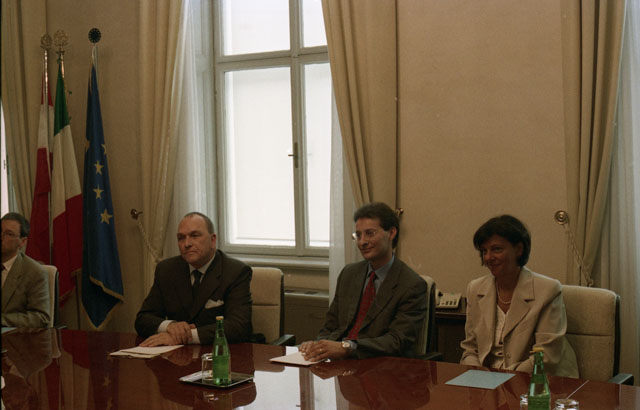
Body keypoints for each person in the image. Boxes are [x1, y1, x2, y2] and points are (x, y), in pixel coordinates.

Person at [300, 202, 427, 360]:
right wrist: (317, 345)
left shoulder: (411, 285)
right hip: (336, 363)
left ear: (391, 233)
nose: (362, 242)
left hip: (377, 365)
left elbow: (396, 341)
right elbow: (330, 327)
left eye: (370, 233)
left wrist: (347, 347)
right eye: (358, 235)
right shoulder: (349, 273)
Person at [460, 215, 578, 377]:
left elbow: (545, 356)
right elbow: (470, 349)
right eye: (484, 251)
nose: (488, 257)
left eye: (496, 249)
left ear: (519, 249)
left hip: (537, 380)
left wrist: (502, 379)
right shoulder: (475, 289)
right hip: (486, 381)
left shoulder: (547, 290)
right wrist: (477, 375)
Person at [135, 212, 252, 346]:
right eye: (181, 238)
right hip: (175, 354)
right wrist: (170, 326)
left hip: (218, 352)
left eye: (195, 236)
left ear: (213, 240)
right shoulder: (167, 270)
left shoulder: (235, 271)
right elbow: (143, 319)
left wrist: (187, 336)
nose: (187, 244)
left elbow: (239, 327)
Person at [1, 212, 50, 328]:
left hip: (14, 336)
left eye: (8, 234)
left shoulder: (34, 272)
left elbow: (41, 318)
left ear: (22, 242)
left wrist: (3, 320)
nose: (1, 237)